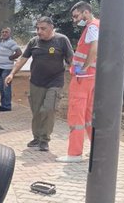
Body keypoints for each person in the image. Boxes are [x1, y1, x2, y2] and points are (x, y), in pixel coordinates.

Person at [5, 17, 74, 152]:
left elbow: (71, 60)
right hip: (36, 82)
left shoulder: (62, 40)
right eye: (37, 28)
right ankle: (36, 137)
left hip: (55, 82)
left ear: (51, 28)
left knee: (48, 109)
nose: (39, 31)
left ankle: (44, 139)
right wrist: (12, 73)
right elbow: (22, 59)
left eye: (43, 29)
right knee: (36, 112)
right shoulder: (34, 42)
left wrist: (77, 75)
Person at [56, 2, 100, 163]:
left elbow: (94, 49)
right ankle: (97, 149)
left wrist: (84, 67)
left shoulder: (92, 27)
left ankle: (74, 154)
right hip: (90, 77)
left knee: (76, 115)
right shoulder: (96, 25)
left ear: (86, 13)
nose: (75, 20)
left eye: (76, 16)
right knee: (88, 115)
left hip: (83, 78)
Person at [0, 28, 23, 112]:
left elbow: (19, 52)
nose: (4, 33)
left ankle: (7, 106)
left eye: (6, 32)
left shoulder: (11, 42)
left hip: (7, 69)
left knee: (6, 88)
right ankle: (3, 104)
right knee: (1, 88)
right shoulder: (2, 42)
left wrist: (11, 57)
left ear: (9, 33)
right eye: (2, 32)